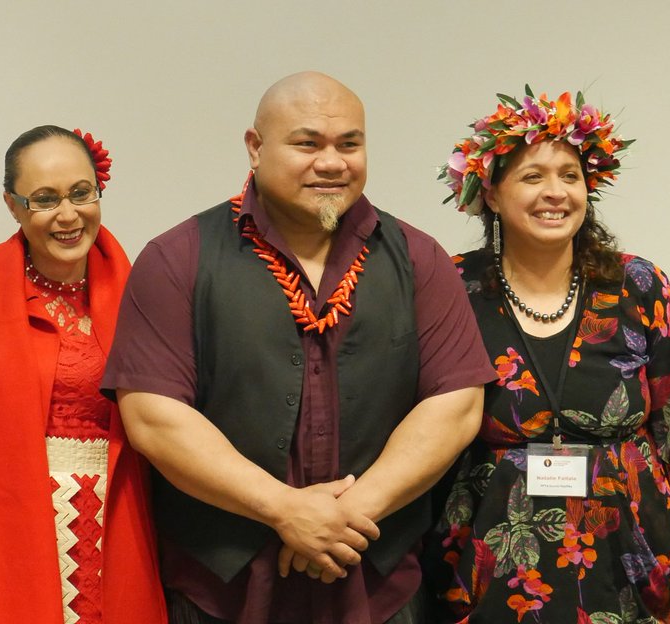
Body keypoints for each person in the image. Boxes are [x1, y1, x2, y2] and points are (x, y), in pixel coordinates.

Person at [102, 71, 497, 623]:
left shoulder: (419, 258)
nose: (332, 162)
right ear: (255, 147)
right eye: (307, 143)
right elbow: (153, 415)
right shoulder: (178, 258)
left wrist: (345, 518)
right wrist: (283, 510)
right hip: (222, 595)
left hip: (378, 589)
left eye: (349, 144)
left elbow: (455, 405)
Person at [431, 88, 670, 623]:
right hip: (487, 561)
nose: (554, 193)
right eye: (532, 177)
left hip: (627, 558)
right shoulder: (452, 286)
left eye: (570, 175)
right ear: (490, 193)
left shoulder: (638, 285)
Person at [0, 125, 166, 623]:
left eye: (81, 194)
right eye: (44, 199)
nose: (68, 215)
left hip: (117, 518)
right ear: (13, 205)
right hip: (13, 522)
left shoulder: (141, 289)